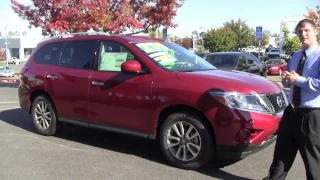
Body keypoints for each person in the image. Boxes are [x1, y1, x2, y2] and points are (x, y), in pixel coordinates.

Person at [263, 18, 320, 180]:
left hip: (311, 115)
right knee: (281, 155)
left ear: (315, 31)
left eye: (307, 30)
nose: (303, 34)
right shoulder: (295, 56)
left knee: (313, 161)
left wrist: (299, 80)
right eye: (300, 31)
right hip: (291, 112)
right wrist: (287, 78)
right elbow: (288, 80)